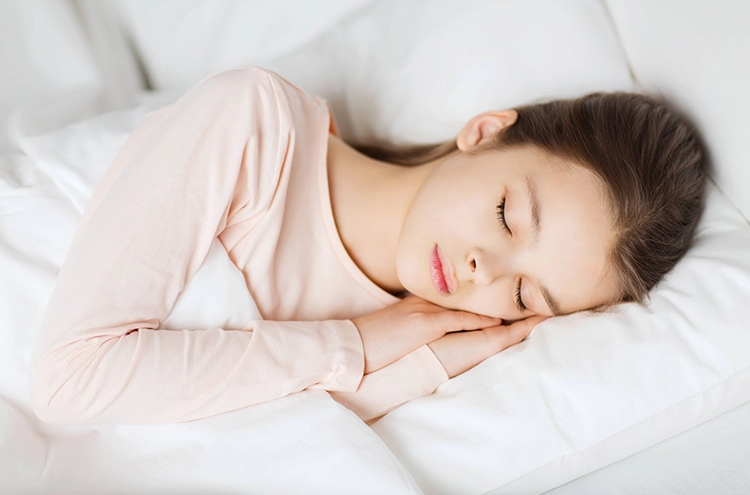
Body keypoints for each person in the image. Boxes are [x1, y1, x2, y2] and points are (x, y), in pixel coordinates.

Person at [29, 66, 707, 426]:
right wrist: (352, 345)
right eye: (506, 214)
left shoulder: (420, 356)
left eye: (526, 293)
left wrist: (411, 367)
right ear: (487, 131)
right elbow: (71, 380)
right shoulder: (256, 125)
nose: (483, 271)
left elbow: (226, 438)